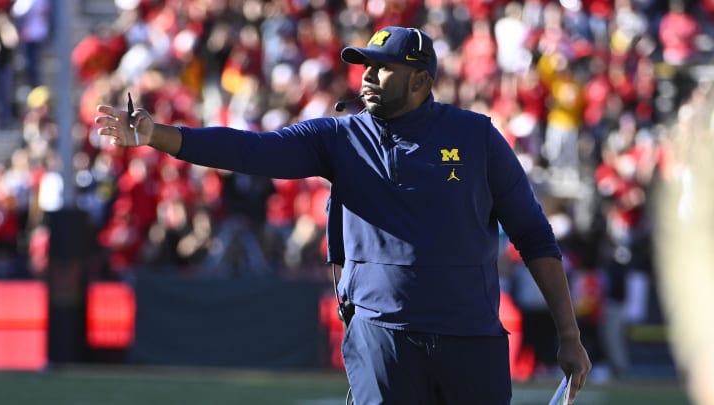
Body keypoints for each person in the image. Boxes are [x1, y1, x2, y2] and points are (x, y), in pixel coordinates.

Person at [95, 26, 591, 405]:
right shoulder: (340, 137)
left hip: (471, 339)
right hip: (382, 338)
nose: (368, 77)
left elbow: (534, 236)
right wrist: (157, 135)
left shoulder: (477, 136)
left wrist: (569, 336)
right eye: (365, 67)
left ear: (420, 78)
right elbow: (252, 151)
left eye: (384, 67)